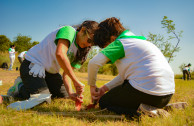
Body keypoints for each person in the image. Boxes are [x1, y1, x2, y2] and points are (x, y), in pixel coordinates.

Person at [88, 17, 175, 117]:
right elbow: (125, 77)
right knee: (124, 89)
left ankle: (148, 113)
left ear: (112, 39)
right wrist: (104, 89)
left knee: (104, 102)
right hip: (166, 95)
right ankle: (158, 107)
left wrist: (92, 86)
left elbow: (93, 63)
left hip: (147, 93)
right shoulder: (142, 42)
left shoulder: (120, 43)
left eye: (106, 46)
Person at [6, 20, 99, 104]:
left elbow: (66, 73)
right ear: (82, 30)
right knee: (43, 101)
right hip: (33, 65)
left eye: (92, 43)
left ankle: (39, 86)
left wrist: (70, 92)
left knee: (63, 96)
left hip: (50, 73)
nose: (88, 45)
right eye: (89, 40)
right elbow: (60, 54)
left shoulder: (83, 51)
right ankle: (20, 86)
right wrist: (75, 81)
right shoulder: (69, 31)